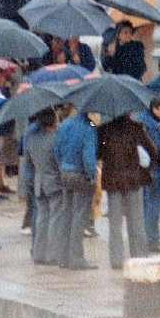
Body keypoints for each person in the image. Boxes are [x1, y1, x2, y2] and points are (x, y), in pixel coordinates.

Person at [97, 111, 160, 269]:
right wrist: (144, 167)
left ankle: (117, 260)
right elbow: (153, 151)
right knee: (136, 219)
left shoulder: (104, 129)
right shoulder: (136, 127)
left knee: (115, 222)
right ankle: (138, 255)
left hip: (112, 178)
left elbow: (98, 153)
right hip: (133, 177)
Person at [52, 111, 98, 269]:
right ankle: (77, 259)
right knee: (79, 217)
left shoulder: (64, 124)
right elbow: (89, 156)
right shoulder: (89, 127)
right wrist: (92, 176)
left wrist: (62, 166)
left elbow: (56, 150)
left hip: (65, 172)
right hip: (81, 175)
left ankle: (62, 257)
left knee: (66, 215)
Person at [23, 107, 62, 264]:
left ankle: (38, 254)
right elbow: (58, 161)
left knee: (41, 218)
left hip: (38, 183)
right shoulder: (54, 140)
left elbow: (28, 163)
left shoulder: (31, 140)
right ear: (53, 122)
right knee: (55, 219)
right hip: (54, 183)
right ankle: (53, 254)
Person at [138, 98, 160, 253]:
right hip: (154, 169)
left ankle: (144, 238)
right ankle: (152, 240)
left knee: (145, 204)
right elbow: (158, 149)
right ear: (154, 109)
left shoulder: (142, 120)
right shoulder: (152, 125)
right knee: (153, 206)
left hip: (143, 168)